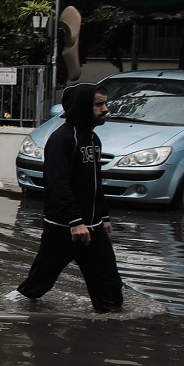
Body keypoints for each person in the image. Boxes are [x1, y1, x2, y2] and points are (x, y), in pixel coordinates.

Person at [16, 81, 123, 313]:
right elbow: (58, 184)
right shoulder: (61, 139)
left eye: (106, 103)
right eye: (98, 104)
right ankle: (12, 311)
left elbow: (94, 182)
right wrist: (75, 221)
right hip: (65, 229)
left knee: (111, 291)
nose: (105, 109)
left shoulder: (93, 139)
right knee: (37, 286)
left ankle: (108, 336)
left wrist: (103, 216)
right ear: (83, 106)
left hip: (92, 228)